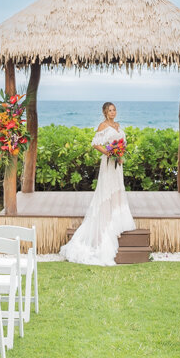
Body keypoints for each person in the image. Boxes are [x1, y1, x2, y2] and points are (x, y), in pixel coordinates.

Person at [60, 102, 136, 266]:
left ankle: (116, 220)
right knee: (107, 190)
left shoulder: (117, 125)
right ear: (104, 112)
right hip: (108, 164)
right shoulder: (103, 125)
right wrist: (109, 152)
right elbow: (95, 143)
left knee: (117, 190)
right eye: (110, 110)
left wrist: (120, 154)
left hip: (118, 164)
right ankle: (105, 221)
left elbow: (122, 144)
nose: (113, 112)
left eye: (114, 109)